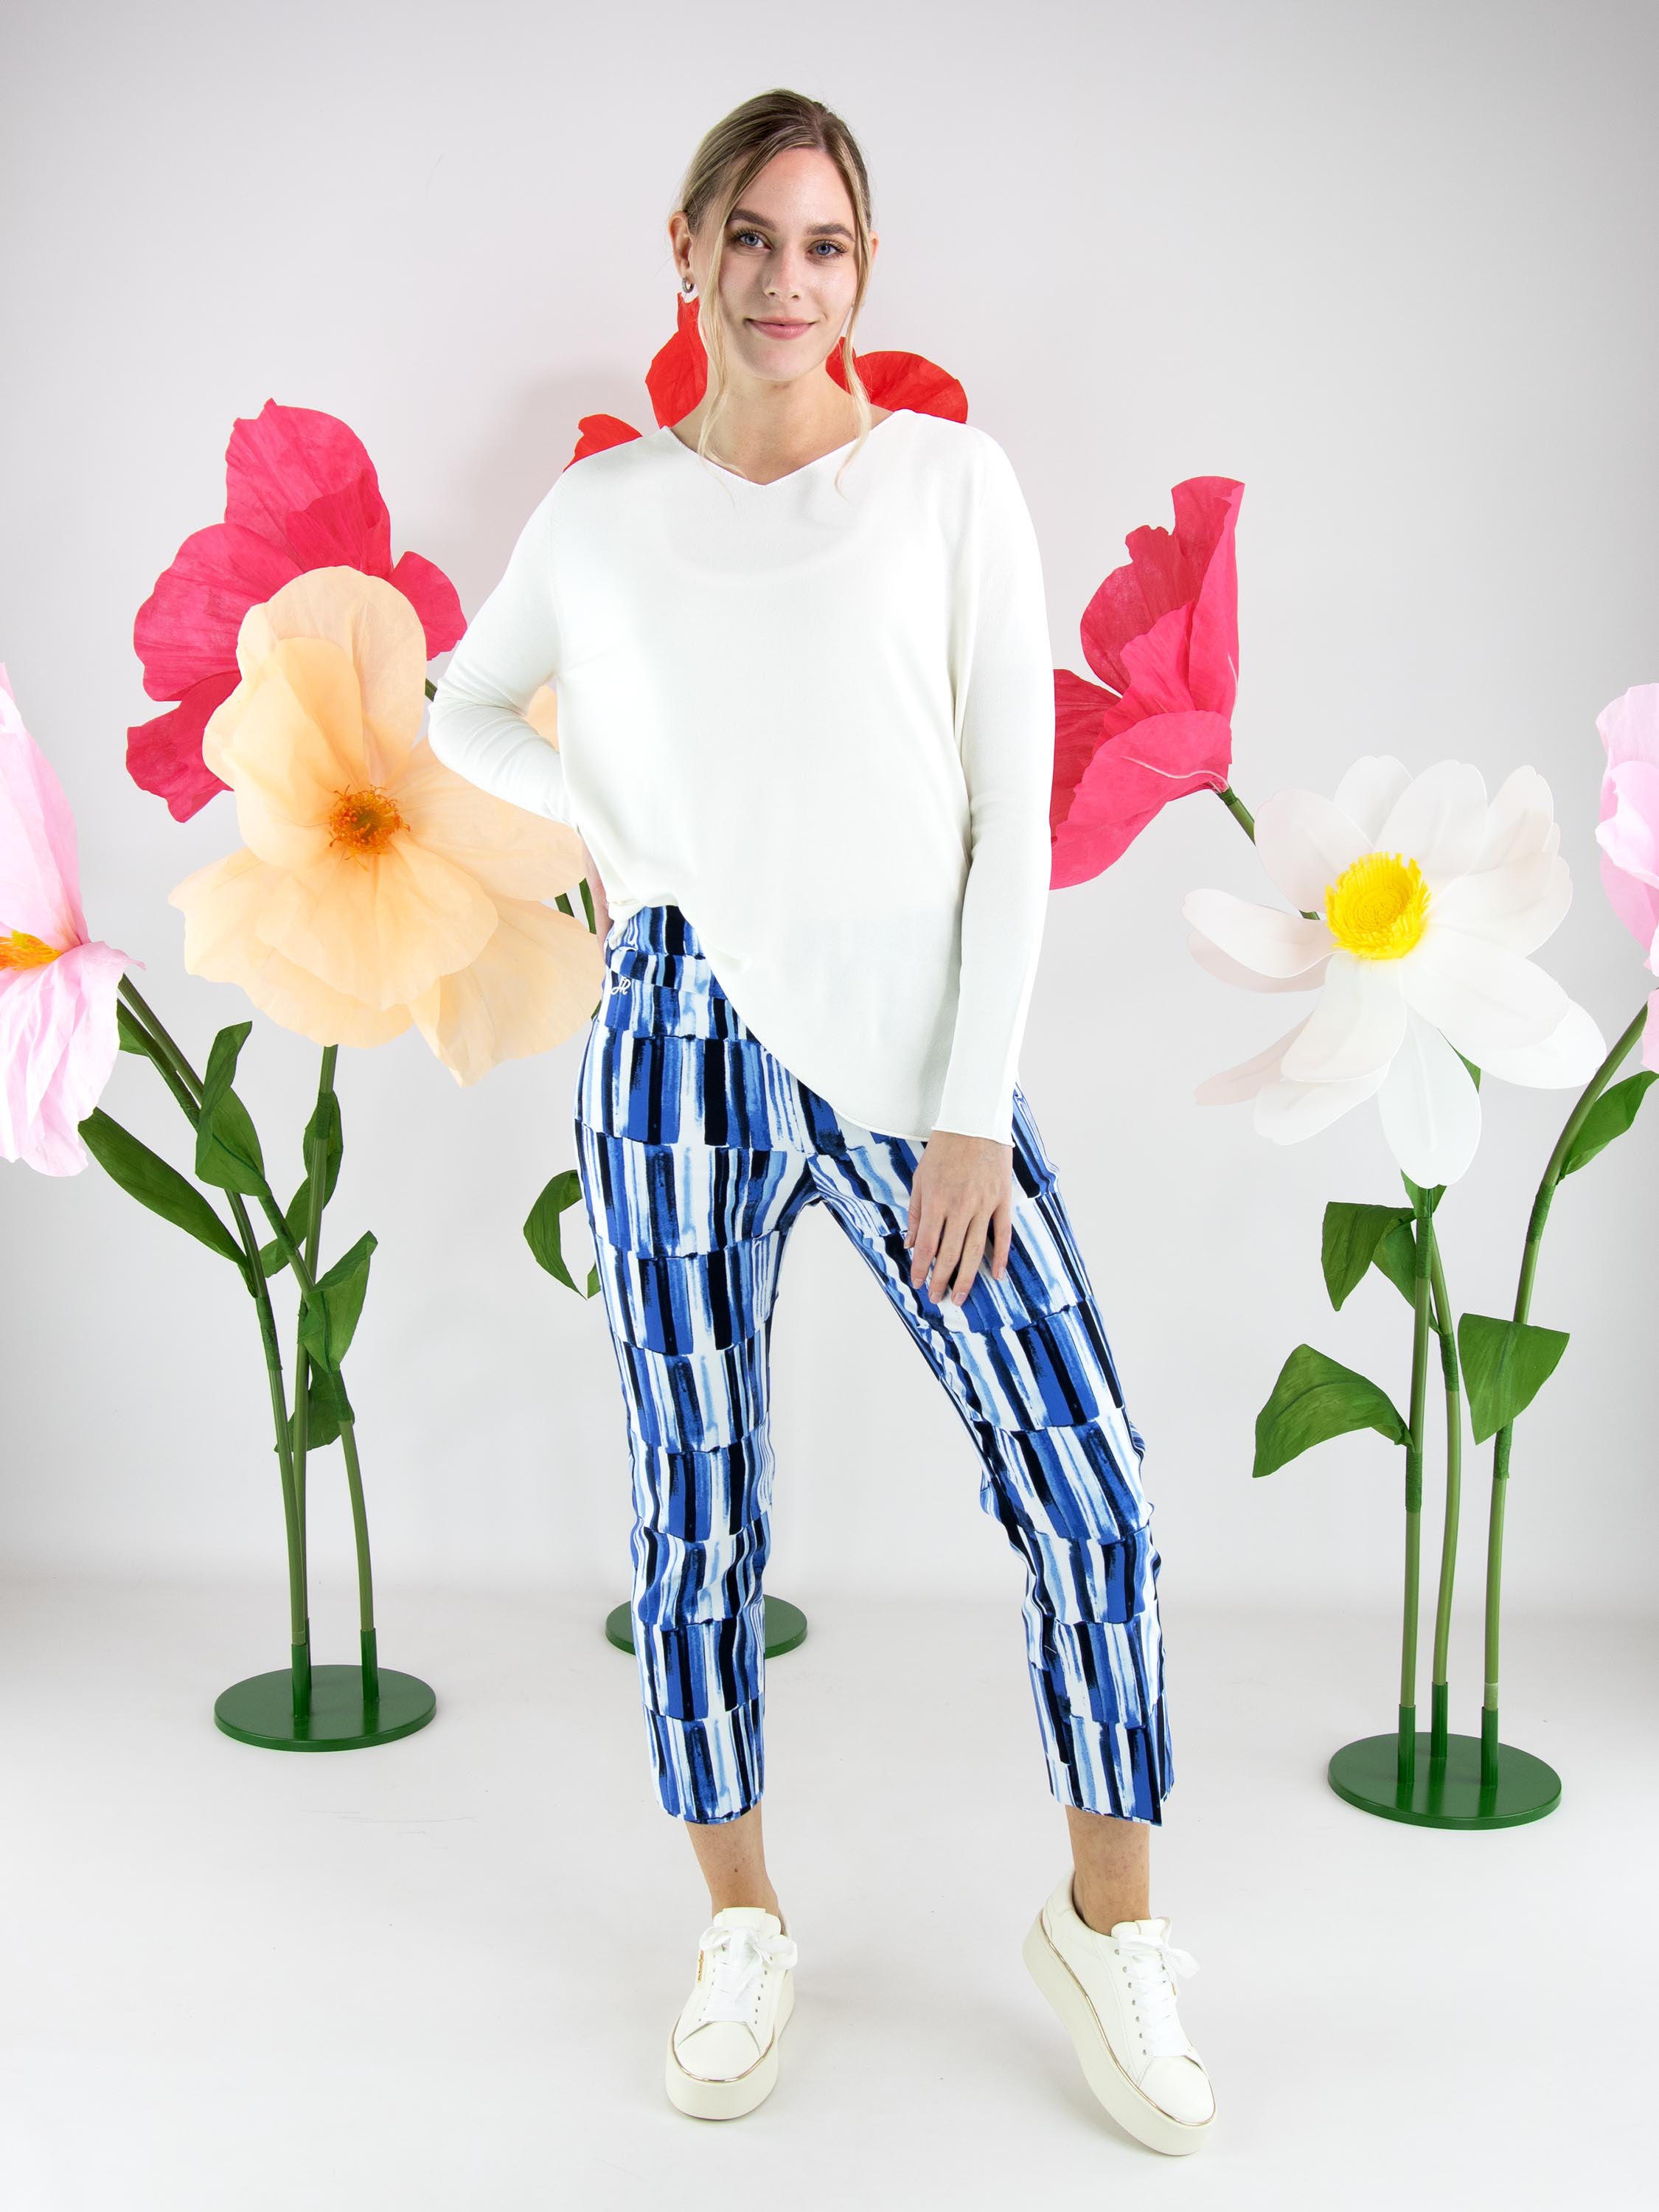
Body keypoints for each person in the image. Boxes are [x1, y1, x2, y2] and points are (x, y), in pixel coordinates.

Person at [428, 86, 1214, 2155]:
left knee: (1087, 1488)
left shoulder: (948, 486)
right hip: (671, 1037)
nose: (788, 280)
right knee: (695, 1506)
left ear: (864, 272)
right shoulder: (600, 516)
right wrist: (613, 830)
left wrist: (971, 1114)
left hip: (907, 1050)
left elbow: (1008, 819)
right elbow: (458, 704)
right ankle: (741, 1923)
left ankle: (1110, 1927)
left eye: (827, 244)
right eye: (755, 238)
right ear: (686, 249)